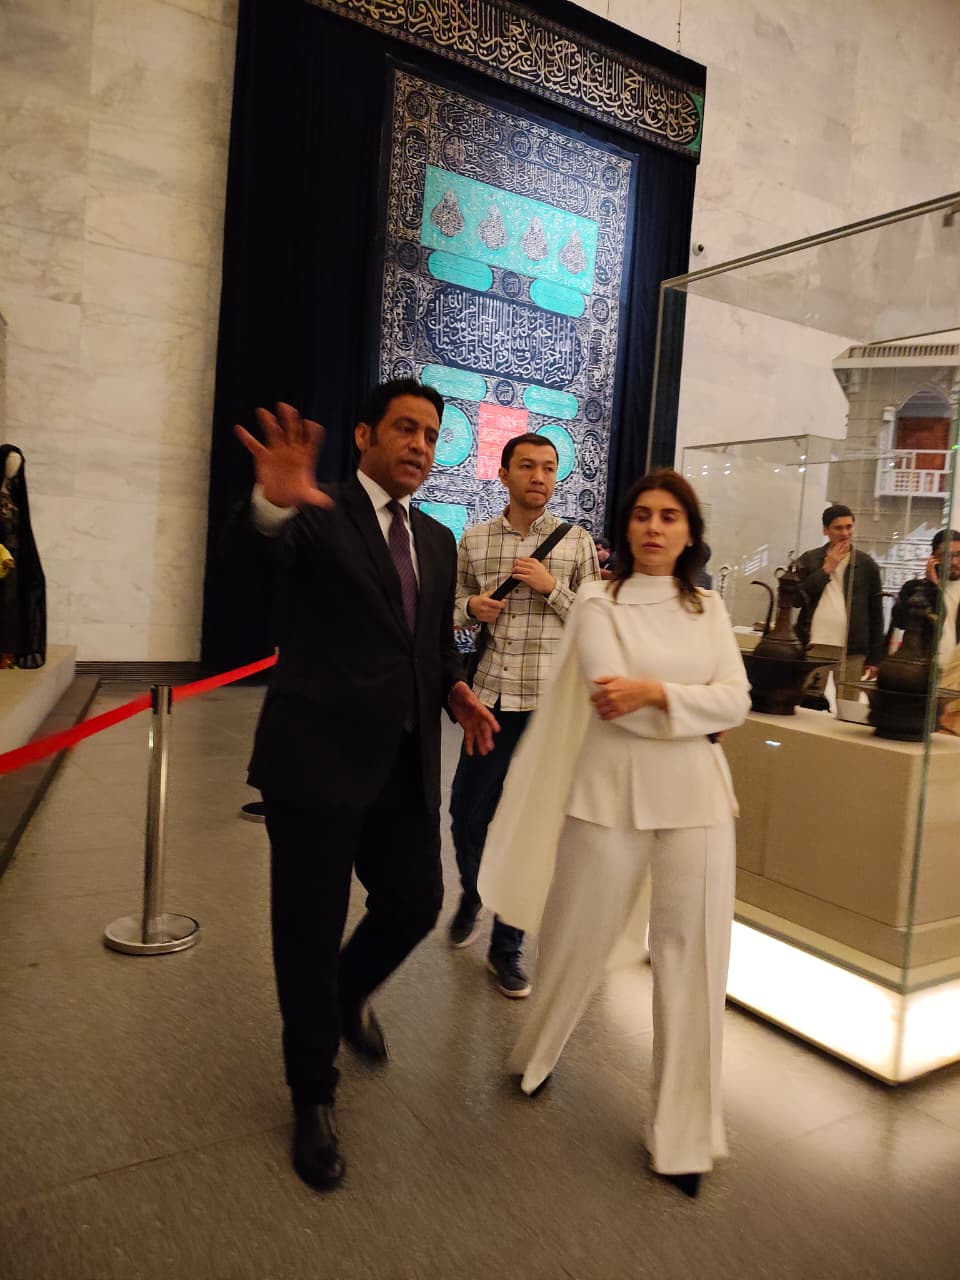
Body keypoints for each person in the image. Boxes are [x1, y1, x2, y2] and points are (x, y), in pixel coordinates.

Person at [234, 383, 498, 1192]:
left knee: (415, 903)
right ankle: (312, 1095)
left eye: (431, 434)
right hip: (314, 763)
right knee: (307, 934)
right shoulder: (319, 510)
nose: (420, 444)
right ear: (363, 436)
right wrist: (272, 507)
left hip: (403, 763)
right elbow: (256, 560)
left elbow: (430, 645)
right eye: (405, 429)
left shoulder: (437, 539)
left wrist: (454, 688)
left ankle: (345, 998)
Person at [478, 469, 751, 1199]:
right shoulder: (601, 602)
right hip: (607, 799)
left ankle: (683, 1134)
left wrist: (656, 692)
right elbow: (612, 703)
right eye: (642, 515)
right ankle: (537, 1053)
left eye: (670, 516)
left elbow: (737, 701)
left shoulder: (711, 608)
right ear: (627, 528)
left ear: (689, 533)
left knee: (694, 963)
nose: (654, 527)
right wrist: (693, 710)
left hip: (697, 804)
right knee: (575, 939)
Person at [448, 433, 601, 997]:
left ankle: (506, 947)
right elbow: (448, 607)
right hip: (489, 699)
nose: (539, 476)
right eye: (528, 466)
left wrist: (552, 588)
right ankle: (475, 892)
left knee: (531, 828)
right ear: (504, 473)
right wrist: (471, 606)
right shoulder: (475, 540)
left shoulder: (576, 542)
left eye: (549, 468)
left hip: (548, 706)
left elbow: (599, 620)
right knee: (465, 813)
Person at [795, 503, 884, 705]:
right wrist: (826, 569)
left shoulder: (866, 564)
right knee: (806, 703)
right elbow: (796, 599)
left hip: (852, 648)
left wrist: (875, 658)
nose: (845, 533)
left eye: (849, 527)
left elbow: (876, 613)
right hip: (815, 644)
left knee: (848, 706)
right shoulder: (810, 559)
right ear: (826, 530)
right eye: (838, 528)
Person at [890, 528, 960, 669]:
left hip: (955, 670)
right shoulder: (915, 588)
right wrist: (931, 586)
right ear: (934, 558)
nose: (954, 562)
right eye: (947, 556)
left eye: (958, 555)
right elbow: (900, 621)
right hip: (922, 668)